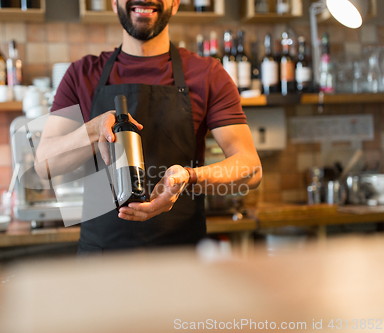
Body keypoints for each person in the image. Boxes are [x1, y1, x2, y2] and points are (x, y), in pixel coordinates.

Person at [36, 0, 262, 253]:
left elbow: (251, 169)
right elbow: (43, 164)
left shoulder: (208, 74)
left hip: (181, 260)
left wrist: (189, 178)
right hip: (100, 263)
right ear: (114, 3)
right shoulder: (81, 73)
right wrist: (93, 129)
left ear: (175, 4)